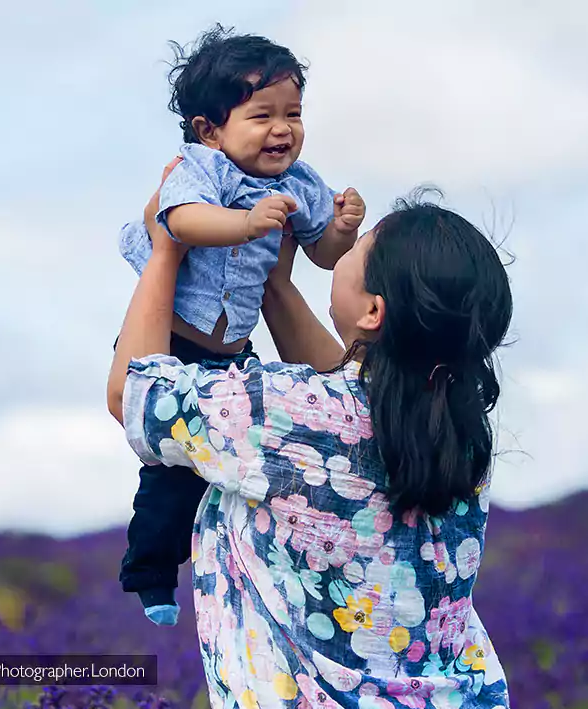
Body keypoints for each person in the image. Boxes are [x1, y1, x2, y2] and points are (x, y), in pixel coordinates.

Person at [107, 163, 512, 707]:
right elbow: (341, 399)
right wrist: (274, 282)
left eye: (359, 250)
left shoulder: (279, 409)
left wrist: (165, 250)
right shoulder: (459, 434)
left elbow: (137, 398)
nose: (344, 253)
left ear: (373, 310)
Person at [115, 25, 365, 626]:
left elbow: (323, 254)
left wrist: (343, 229)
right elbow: (179, 220)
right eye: (262, 116)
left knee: (229, 464)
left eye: (294, 114)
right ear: (210, 129)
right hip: (174, 337)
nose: (283, 129)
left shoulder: (301, 182)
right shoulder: (203, 170)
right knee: (168, 468)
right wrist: (247, 222)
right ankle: (148, 572)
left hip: (232, 348)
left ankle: (228, 570)